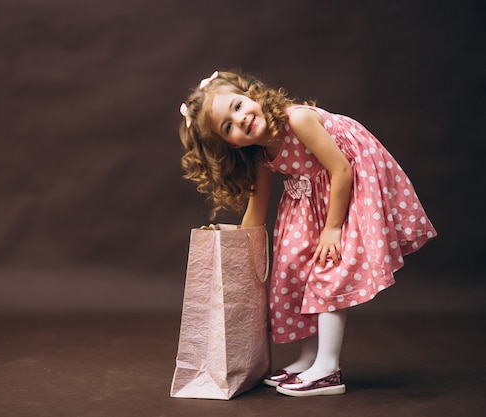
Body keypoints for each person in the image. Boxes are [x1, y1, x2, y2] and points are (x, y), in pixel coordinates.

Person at [178, 70, 437, 397]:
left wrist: (332, 229)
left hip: (351, 178)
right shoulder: (260, 154)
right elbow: (256, 211)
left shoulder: (296, 119)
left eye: (239, 106)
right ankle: (309, 357)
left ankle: (328, 368)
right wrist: (238, 251)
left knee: (328, 269)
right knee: (292, 268)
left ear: (253, 94)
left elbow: (341, 168)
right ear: (227, 143)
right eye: (228, 126)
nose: (240, 120)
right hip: (314, 193)